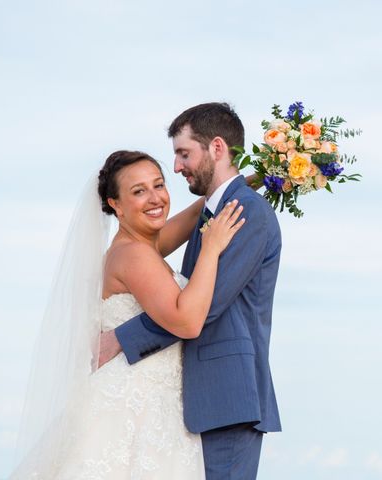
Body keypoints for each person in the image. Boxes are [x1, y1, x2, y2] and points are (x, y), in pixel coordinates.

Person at [10, 151, 245, 479]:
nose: (155, 198)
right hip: (134, 406)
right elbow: (188, 322)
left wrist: (259, 176)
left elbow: (195, 213)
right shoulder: (134, 255)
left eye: (159, 185)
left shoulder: (142, 244)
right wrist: (211, 248)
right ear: (115, 205)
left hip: (149, 401)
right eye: (139, 191)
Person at [98, 102, 283, 479]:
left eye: (183, 154)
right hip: (191, 402)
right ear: (115, 205)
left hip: (226, 398)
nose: (177, 166)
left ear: (216, 148)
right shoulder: (211, 215)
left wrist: (121, 336)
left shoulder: (243, 213)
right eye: (139, 190)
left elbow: (202, 309)